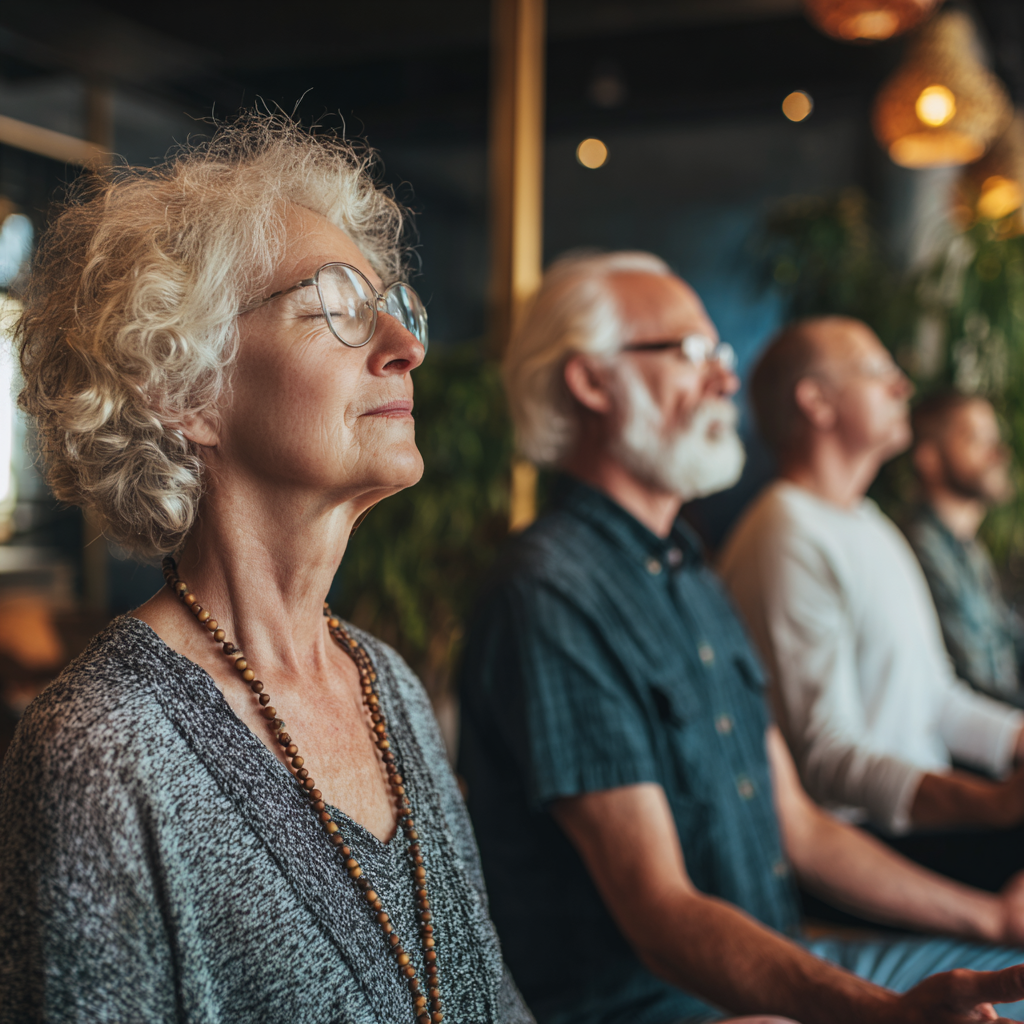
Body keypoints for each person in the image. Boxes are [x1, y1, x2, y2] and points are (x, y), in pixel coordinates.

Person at [0, 114, 532, 1024]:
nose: (405, 347)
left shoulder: (386, 684)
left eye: (395, 308)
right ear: (184, 390)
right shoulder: (102, 750)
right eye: (335, 305)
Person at [459, 255, 1024, 1024]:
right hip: (665, 1007)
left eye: (721, 357)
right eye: (691, 353)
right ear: (591, 383)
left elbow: (801, 827)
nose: (725, 380)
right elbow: (661, 917)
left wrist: (990, 919)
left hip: (778, 959)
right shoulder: (550, 591)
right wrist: (879, 1015)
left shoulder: (688, 571)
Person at [719, 317, 1024, 890]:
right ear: (816, 402)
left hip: (921, 819)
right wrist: (991, 805)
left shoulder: (867, 521)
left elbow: (938, 700)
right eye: (878, 371)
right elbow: (826, 761)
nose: (901, 386)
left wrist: (1016, 738)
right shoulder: (786, 532)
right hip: (862, 846)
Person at [906, 390, 1024, 709]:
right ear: (928, 457)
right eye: (977, 439)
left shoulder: (970, 549)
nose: (998, 453)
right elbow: (968, 685)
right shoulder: (919, 549)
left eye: (995, 439)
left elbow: (1008, 647)